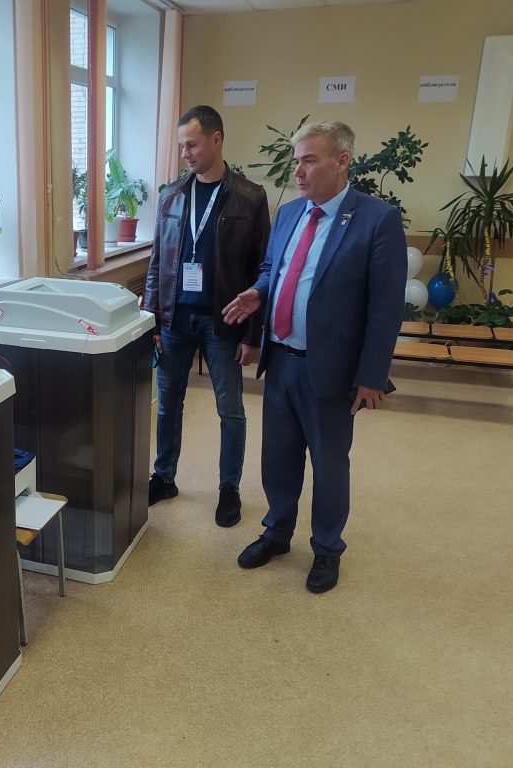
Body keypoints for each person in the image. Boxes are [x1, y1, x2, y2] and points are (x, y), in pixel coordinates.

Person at [222, 120, 406, 593]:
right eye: (296, 160)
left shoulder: (377, 219)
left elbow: (386, 306)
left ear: (342, 161)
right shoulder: (289, 213)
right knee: (278, 457)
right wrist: (259, 293)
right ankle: (277, 532)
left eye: (309, 160)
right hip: (282, 359)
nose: (298, 171)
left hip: (332, 369)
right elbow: (273, 268)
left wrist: (372, 375)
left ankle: (326, 548)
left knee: (329, 464)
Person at [143, 105, 270, 528]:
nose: (186, 153)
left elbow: (263, 270)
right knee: (168, 406)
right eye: (181, 146)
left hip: (224, 323)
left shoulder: (250, 197)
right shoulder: (171, 195)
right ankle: (164, 477)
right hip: (175, 321)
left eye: (192, 145)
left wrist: (252, 334)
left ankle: (229, 489)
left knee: (230, 410)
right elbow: (157, 262)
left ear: (216, 140)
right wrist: (152, 320)